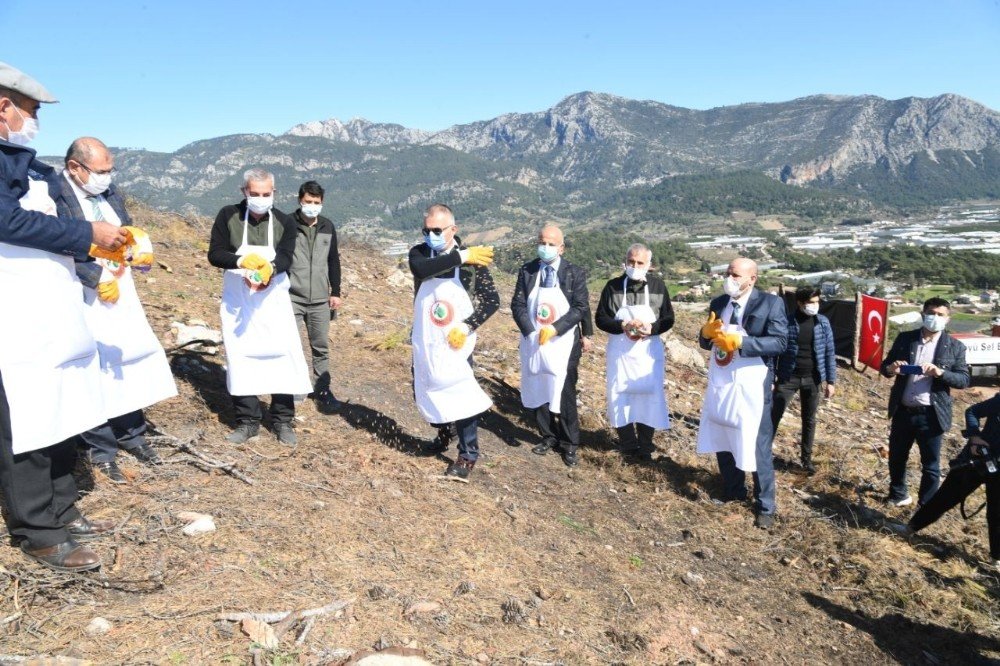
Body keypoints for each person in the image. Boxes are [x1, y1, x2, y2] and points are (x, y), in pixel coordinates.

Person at [0, 62, 130, 572]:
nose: (35, 120)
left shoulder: (25, 163)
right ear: (3, 105)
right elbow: (5, 220)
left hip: (46, 308)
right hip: (13, 316)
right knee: (25, 416)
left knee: (57, 407)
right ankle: (36, 528)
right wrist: (85, 236)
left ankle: (61, 505)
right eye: (30, 110)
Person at [55, 137, 177, 483]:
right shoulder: (57, 195)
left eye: (110, 170)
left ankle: (132, 433)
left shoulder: (109, 193)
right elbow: (57, 243)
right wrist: (93, 276)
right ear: (75, 167)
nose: (107, 177)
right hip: (83, 293)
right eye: (101, 171)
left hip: (121, 289)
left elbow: (127, 228)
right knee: (91, 364)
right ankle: (100, 447)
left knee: (125, 358)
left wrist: (139, 250)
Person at [207, 168, 312, 446]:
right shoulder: (228, 216)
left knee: (281, 356)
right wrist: (241, 262)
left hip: (272, 301)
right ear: (244, 192)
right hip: (239, 303)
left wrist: (271, 269)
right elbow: (215, 253)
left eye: (266, 194)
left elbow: (288, 257)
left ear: (274, 193)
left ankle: (282, 419)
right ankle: (248, 420)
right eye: (255, 194)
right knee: (241, 357)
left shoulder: (283, 222)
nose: (261, 199)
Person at [696, 257, 788, 529]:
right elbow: (707, 341)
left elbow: (780, 341)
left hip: (752, 382)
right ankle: (733, 491)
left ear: (752, 279)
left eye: (735, 275)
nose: (729, 278)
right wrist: (704, 333)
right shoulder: (719, 303)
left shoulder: (771, 304)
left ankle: (765, 506)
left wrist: (742, 342)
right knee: (726, 431)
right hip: (723, 380)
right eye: (727, 273)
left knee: (758, 442)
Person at [408, 203, 498, 479]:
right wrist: (461, 256)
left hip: (455, 341)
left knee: (461, 393)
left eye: (437, 230)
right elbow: (422, 270)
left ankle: (468, 453)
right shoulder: (420, 253)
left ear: (453, 229)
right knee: (428, 385)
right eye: (427, 230)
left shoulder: (471, 265)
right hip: (428, 338)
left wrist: (468, 326)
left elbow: (492, 300)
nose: (431, 235)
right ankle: (442, 434)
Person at [511, 224, 589, 467]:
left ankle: (569, 444)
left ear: (561, 247)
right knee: (538, 384)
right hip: (535, 340)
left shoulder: (574, 273)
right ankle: (548, 435)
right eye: (542, 242)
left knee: (564, 390)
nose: (545, 248)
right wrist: (531, 331)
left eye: (551, 244)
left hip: (563, 342)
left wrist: (556, 328)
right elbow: (518, 304)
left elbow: (580, 307)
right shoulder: (528, 270)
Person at [893, 394, 1000, 570]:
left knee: (997, 514)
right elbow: (972, 411)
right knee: (945, 497)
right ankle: (910, 528)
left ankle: (996, 559)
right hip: (977, 459)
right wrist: (974, 436)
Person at [880, 297, 970, 507]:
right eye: (931, 313)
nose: (934, 318)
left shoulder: (955, 347)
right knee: (897, 458)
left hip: (932, 413)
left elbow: (963, 380)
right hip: (903, 410)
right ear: (923, 314)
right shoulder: (905, 339)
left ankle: (926, 505)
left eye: (940, 315)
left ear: (948, 319)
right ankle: (899, 495)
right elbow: (884, 367)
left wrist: (940, 373)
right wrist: (892, 369)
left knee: (930, 465)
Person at [595, 243, 674, 462]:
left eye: (640, 263)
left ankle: (646, 447)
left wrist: (652, 328)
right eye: (631, 261)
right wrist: (621, 325)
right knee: (621, 395)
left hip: (648, 352)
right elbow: (601, 318)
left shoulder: (658, 286)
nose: (635, 266)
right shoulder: (613, 287)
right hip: (621, 353)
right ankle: (628, 446)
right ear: (625, 261)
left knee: (649, 397)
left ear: (649, 265)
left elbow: (668, 318)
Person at [288, 180, 342, 413]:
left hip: (320, 298)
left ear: (322, 203)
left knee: (320, 346)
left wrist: (336, 292)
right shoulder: (287, 224)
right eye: (308, 202)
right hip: (292, 297)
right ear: (300, 200)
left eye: (316, 202)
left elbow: (333, 260)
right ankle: (294, 387)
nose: (312, 206)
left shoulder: (328, 227)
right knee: (291, 344)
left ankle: (322, 390)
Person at [770, 286, 836, 475]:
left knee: (809, 420)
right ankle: (763, 453)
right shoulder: (787, 322)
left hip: (813, 378)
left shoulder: (823, 323)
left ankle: (806, 460)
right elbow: (776, 351)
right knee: (775, 415)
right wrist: (773, 377)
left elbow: (830, 352)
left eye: (817, 302)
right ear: (800, 303)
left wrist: (830, 381)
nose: (815, 306)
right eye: (811, 302)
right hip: (788, 377)